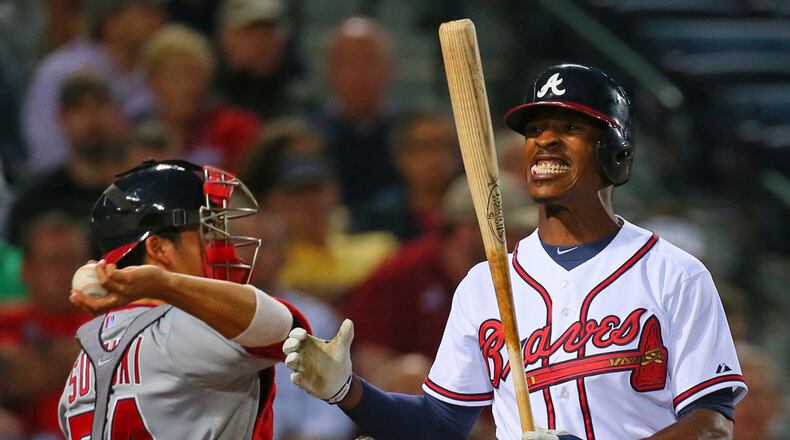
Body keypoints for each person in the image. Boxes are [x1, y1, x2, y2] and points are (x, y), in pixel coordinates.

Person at [281, 64, 747, 439]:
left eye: (569, 126)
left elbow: (711, 425)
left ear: (615, 153)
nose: (545, 139)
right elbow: (440, 424)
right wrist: (348, 391)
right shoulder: (485, 283)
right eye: (536, 128)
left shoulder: (673, 274)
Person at [58, 159, 308, 439]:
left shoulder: (84, 361)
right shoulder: (184, 327)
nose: (227, 250)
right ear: (160, 249)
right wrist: (164, 284)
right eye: (208, 232)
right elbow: (290, 333)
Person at [21, 0, 164, 172]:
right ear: (111, 21)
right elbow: (45, 152)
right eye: (145, 10)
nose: (157, 18)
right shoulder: (63, 70)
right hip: (70, 188)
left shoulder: (157, 70)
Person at [5, 73, 130, 249]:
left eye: (101, 105)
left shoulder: (135, 197)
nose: (91, 118)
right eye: (78, 108)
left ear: (118, 114)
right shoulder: (35, 201)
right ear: (61, 118)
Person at [0, 213, 91, 438]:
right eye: (54, 261)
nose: (66, 272)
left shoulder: (112, 317)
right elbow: (12, 375)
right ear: (26, 269)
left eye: (74, 260)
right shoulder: (7, 322)